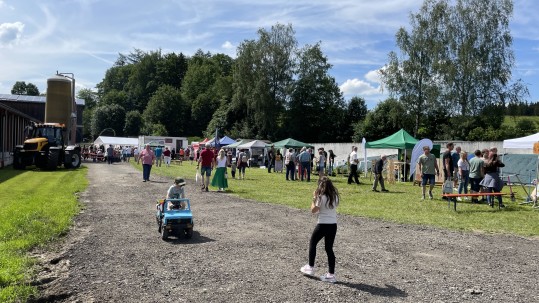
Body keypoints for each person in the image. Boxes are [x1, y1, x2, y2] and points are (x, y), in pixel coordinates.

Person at [300, 176, 340, 283]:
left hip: (322, 224)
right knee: (329, 248)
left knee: (313, 243)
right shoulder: (335, 196)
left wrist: (314, 198)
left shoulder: (320, 197)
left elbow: (314, 210)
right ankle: (331, 274)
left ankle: (311, 267)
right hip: (333, 225)